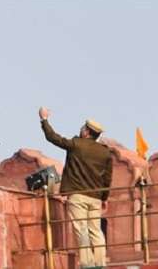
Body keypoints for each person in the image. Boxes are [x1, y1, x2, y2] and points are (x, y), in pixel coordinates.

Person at [39, 107, 112, 269]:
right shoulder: (105, 153)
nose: (81, 129)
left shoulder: (76, 144)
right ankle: (100, 264)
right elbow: (107, 178)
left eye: (83, 127)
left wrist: (44, 120)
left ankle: (87, 264)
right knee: (96, 231)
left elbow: (53, 138)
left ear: (86, 132)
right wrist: (104, 198)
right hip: (95, 197)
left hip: (77, 195)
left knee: (81, 230)